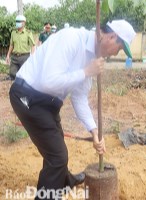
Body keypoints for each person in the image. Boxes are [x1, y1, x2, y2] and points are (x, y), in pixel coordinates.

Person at [9, 19, 136, 200]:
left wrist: (94, 131)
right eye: (119, 48)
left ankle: (65, 181)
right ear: (112, 36)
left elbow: (79, 97)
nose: (116, 54)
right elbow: (48, 80)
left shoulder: (91, 60)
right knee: (57, 156)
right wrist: (85, 72)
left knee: (55, 144)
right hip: (26, 96)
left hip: (48, 102)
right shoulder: (71, 39)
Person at [5, 15, 35, 80]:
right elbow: (11, 45)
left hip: (24, 57)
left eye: (19, 21)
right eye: (16, 21)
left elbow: (32, 45)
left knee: (24, 75)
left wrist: (32, 56)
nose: (17, 23)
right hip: (14, 57)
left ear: (24, 23)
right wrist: (8, 55)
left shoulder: (28, 33)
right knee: (12, 74)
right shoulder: (13, 33)